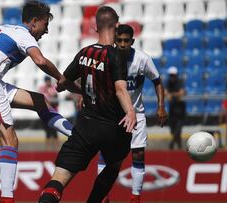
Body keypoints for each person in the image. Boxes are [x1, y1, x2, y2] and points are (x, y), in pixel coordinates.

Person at [0, 1, 78, 202]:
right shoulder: (24, 35)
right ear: (34, 21)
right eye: (46, 25)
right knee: (10, 139)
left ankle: (76, 135)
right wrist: (61, 78)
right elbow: (41, 61)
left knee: (39, 100)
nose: (46, 31)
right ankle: (7, 199)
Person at [38, 6, 137, 203]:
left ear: (95, 27)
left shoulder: (85, 52)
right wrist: (130, 110)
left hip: (85, 127)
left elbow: (62, 83)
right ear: (116, 26)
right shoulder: (117, 55)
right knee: (113, 165)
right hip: (113, 128)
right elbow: (120, 89)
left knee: (59, 179)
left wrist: (80, 91)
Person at [96, 24, 167, 203]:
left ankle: (135, 197)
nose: (122, 44)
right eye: (119, 40)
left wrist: (161, 106)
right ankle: (103, 197)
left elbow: (157, 81)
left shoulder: (142, 59)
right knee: (105, 155)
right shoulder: (106, 58)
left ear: (132, 41)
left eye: (126, 41)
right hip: (111, 115)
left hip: (136, 113)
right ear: (114, 40)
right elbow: (90, 74)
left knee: (138, 154)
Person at [165, 66, 186, 149]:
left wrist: (171, 95)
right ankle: (178, 145)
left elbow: (182, 92)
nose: (172, 77)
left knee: (178, 129)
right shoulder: (168, 82)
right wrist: (172, 95)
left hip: (180, 110)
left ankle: (173, 144)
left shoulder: (180, 81)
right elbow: (165, 92)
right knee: (173, 130)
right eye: (171, 75)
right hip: (172, 109)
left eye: (173, 75)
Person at [39, 76, 59, 149]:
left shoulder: (53, 88)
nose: (48, 82)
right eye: (47, 81)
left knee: (54, 132)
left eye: (49, 81)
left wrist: (48, 97)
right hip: (45, 112)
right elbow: (42, 98)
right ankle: (47, 149)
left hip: (53, 113)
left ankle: (56, 147)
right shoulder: (42, 88)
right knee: (47, 132)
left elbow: (53, 97)